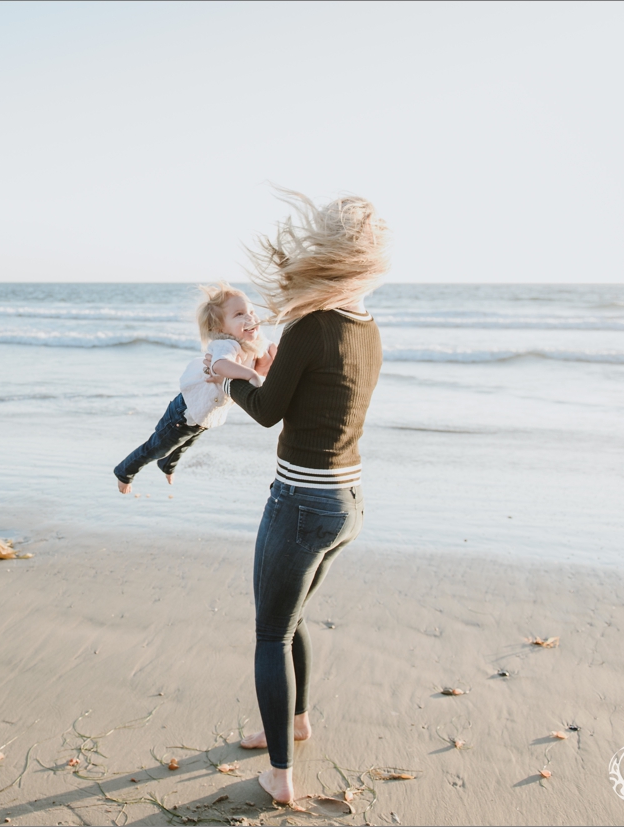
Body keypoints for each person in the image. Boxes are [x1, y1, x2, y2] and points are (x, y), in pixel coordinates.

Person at [207, 189, 388, 805]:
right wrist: (265, 373)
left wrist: (231, 376)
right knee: (292, 618)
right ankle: (296, 722)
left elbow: (266, 411)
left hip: (302, 502)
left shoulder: (309, 325)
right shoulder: (368, 329)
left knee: (270, 634)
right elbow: (320, 402)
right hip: (347, 503)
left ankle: (280, 776)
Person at [114, 284, 277, 494]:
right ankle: (125, 472)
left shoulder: (253, 342)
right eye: (239, 314)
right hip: (184, 411)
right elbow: (219, 365)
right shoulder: (226, 344)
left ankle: (167, 465)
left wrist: (271, 356)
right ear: (220, 328)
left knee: (185, 442)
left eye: (251, 312)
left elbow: (266, 361)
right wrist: (251, 375)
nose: (250, 318)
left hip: (204, 412)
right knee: (158, 447)